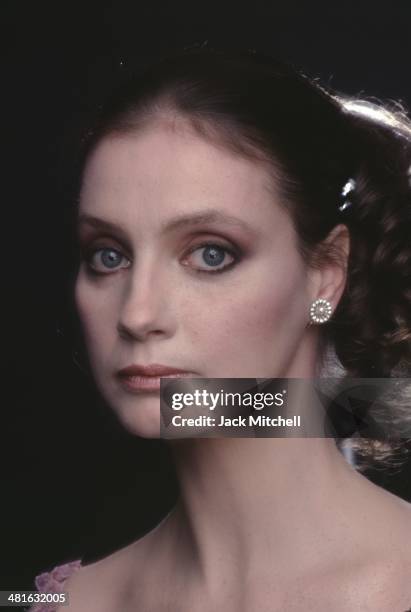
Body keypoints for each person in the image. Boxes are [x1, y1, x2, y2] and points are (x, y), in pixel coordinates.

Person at [29, 45, 411, 611]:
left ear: (325, 274)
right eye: (109, 256)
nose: (137, 315)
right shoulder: (70, 602)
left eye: (210, 254)